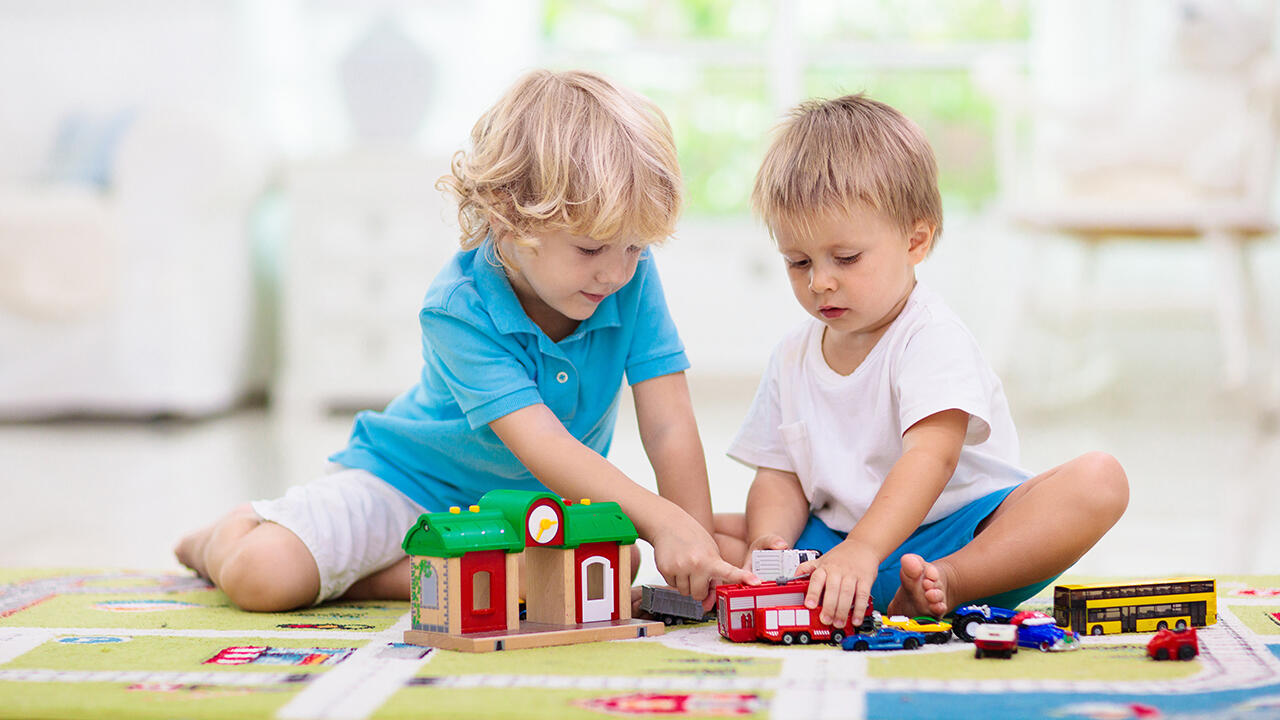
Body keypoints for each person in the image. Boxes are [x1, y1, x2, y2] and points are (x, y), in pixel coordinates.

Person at [176, 69, 753, 612]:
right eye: (590, 250)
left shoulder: (629, 279)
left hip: (532, 509)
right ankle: (221, 536)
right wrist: (662, 521)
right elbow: (544, 445)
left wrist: (694, 543)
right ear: (508, 217)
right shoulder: (458, 308)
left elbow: (668, 423)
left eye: (633, 247)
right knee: (265, 576)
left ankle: (381, 577)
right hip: (406, 487)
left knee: (612, 563)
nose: (617, 273)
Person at [714, 94, 1129, 629]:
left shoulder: (930, 336)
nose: (820, 282)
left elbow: (931, 458)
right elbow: (780, 475)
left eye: (845, 259)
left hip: (956, 537)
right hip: (835, 553)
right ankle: (821, 588)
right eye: (798, 262)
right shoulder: (792, 354)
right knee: (706, 531)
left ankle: (949, 585)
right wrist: (769, 542)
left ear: (916, 240)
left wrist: (867, 548)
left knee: (1099, 480)